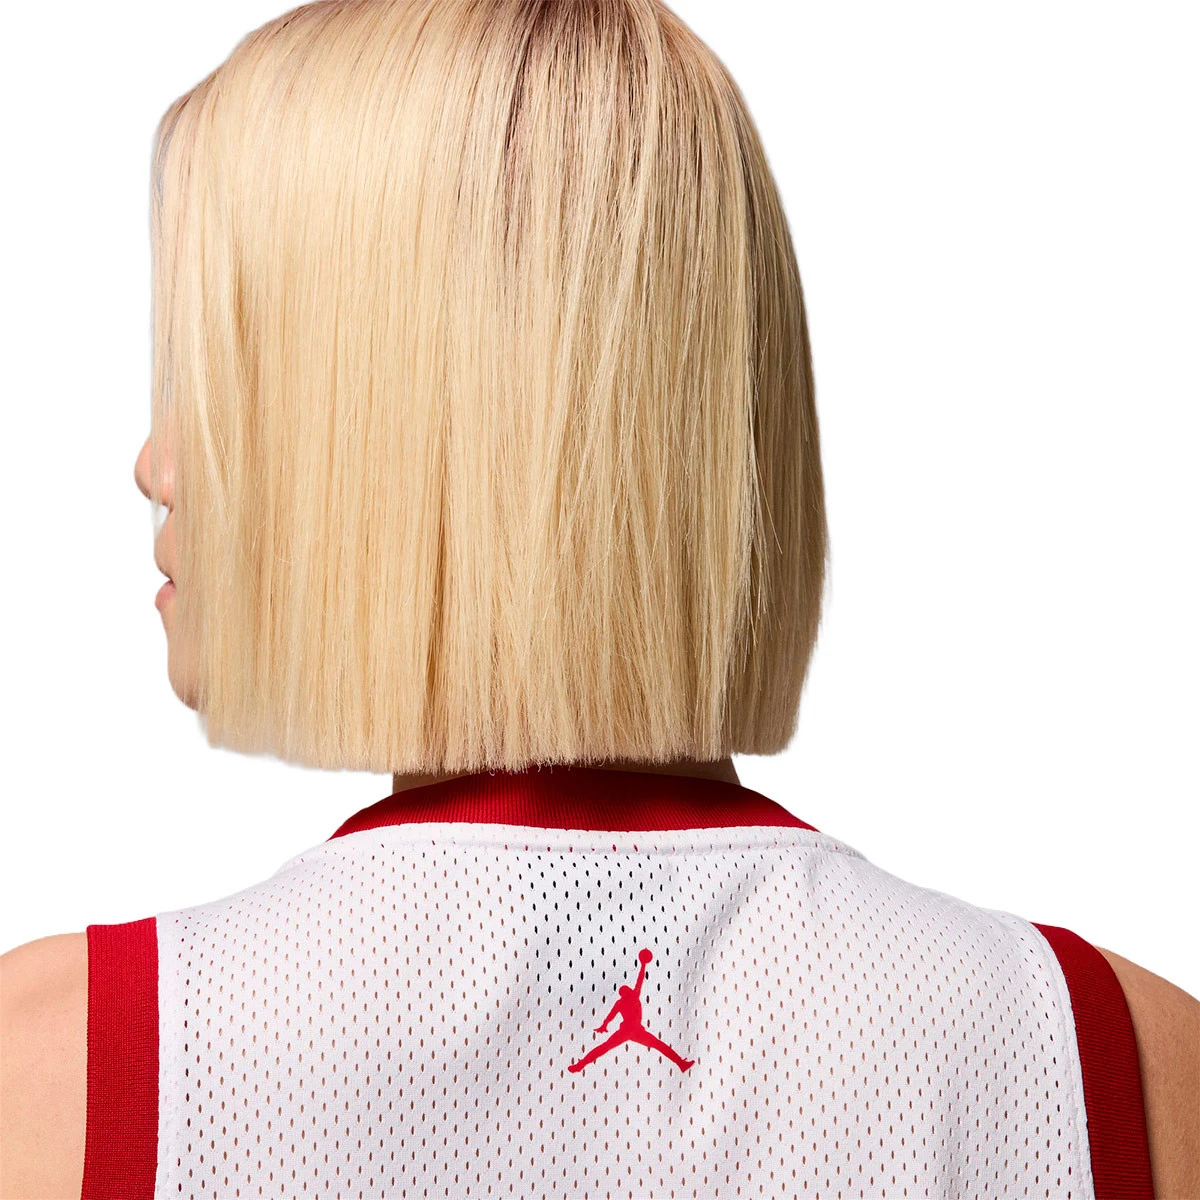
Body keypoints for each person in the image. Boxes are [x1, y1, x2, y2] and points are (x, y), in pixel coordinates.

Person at [1, 1, 1196, 1197]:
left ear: (384, 414)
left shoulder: (64, 1078)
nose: (154, 465)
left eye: (219, 373)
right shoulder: (1124, 1065)